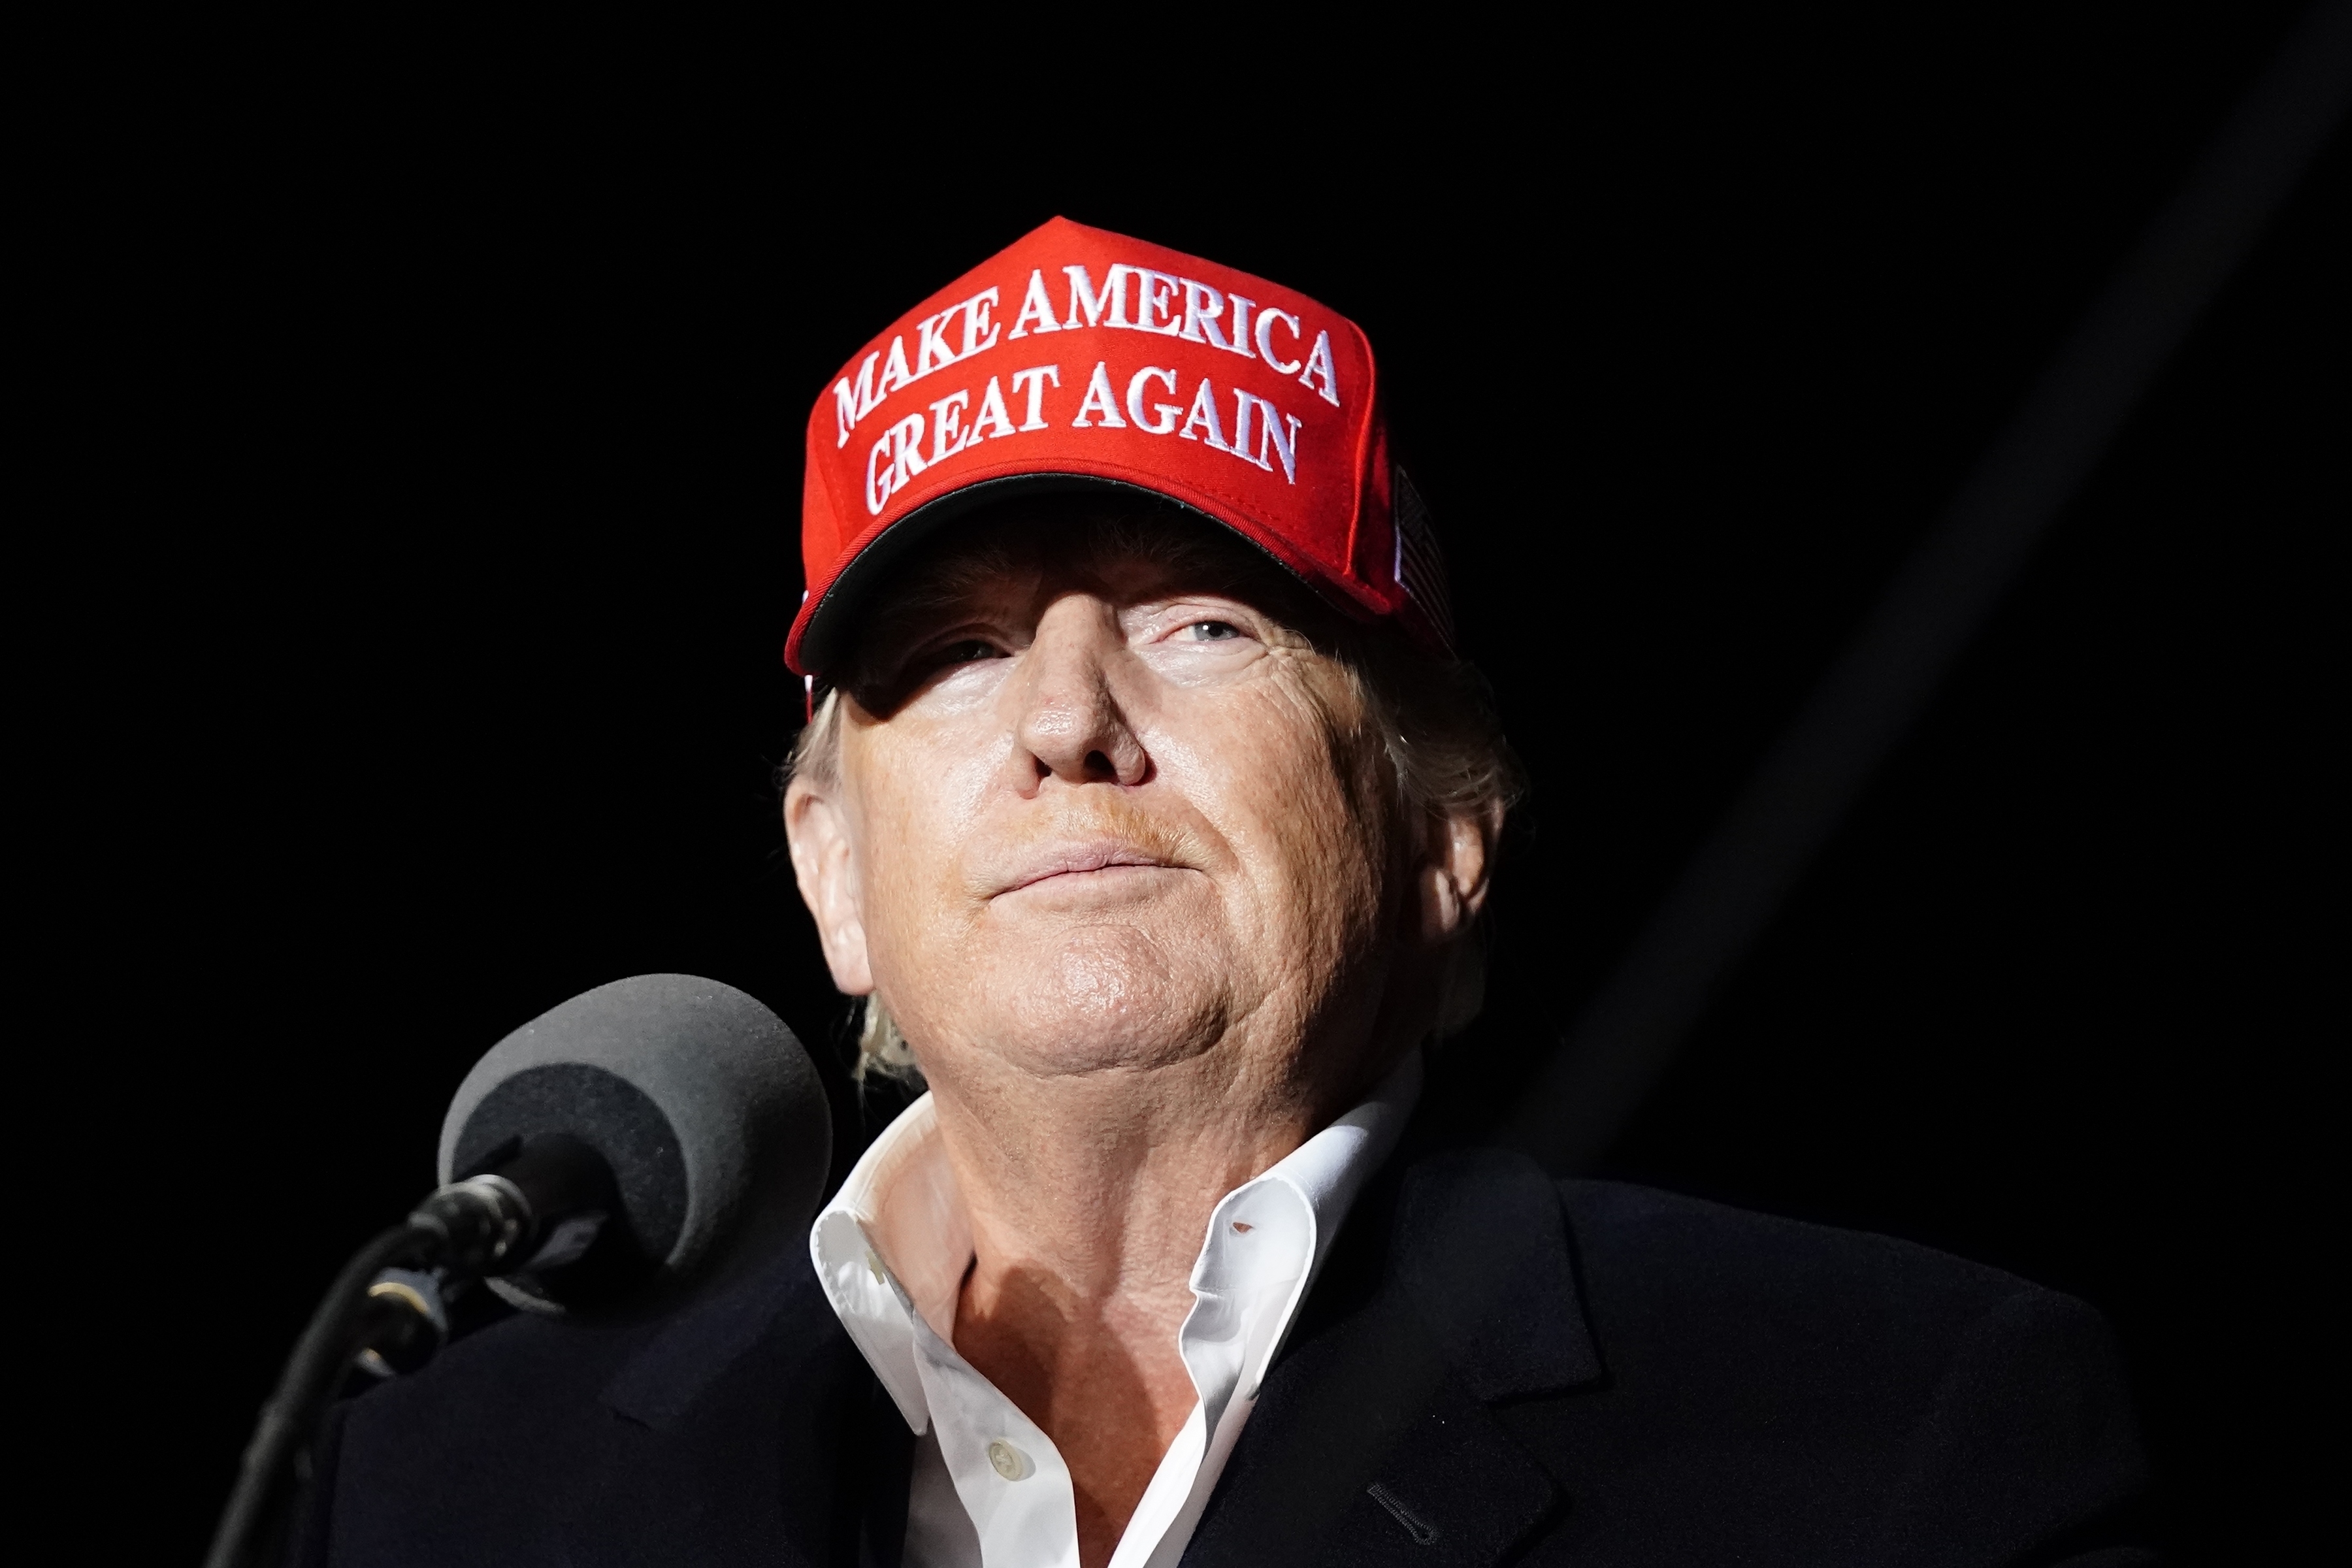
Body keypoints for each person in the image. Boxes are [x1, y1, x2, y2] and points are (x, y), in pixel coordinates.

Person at [297, 218, 2154, 1566]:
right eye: (951, 655)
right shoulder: (428, 1489)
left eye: (1204, 624)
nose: (1063, 722)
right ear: (832, 876)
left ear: (1444, 834)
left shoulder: (1903, 1432)